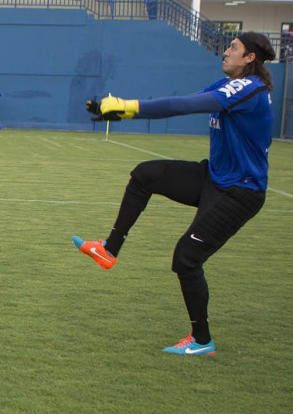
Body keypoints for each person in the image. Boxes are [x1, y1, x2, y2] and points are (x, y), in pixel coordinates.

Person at [73, 32, 276, 355]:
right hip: (215, 178)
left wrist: (128, 106)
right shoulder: (227, 86)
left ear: (250, 58)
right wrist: (124, 113)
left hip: (240, 192)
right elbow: (186, 101)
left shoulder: (248, 88)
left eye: (233, 48)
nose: (225, 52)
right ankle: (109, 250)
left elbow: (185, 105)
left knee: (186, 259)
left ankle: (201, 341)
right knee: (145, 174)